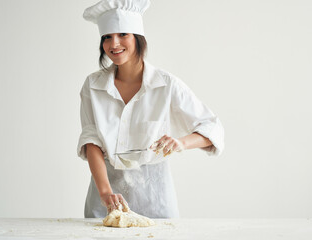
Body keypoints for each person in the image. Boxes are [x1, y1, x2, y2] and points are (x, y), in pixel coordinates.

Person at [77, 0, 224, 219]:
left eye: (123, 34)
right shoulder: (93, 85)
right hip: (106, 201)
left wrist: (181, 143)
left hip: (156, 199)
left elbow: (212, 127)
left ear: (137, 38)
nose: (114, 43)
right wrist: (105, 192)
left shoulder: (166, 84)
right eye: (107, 36)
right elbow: (92, 142)